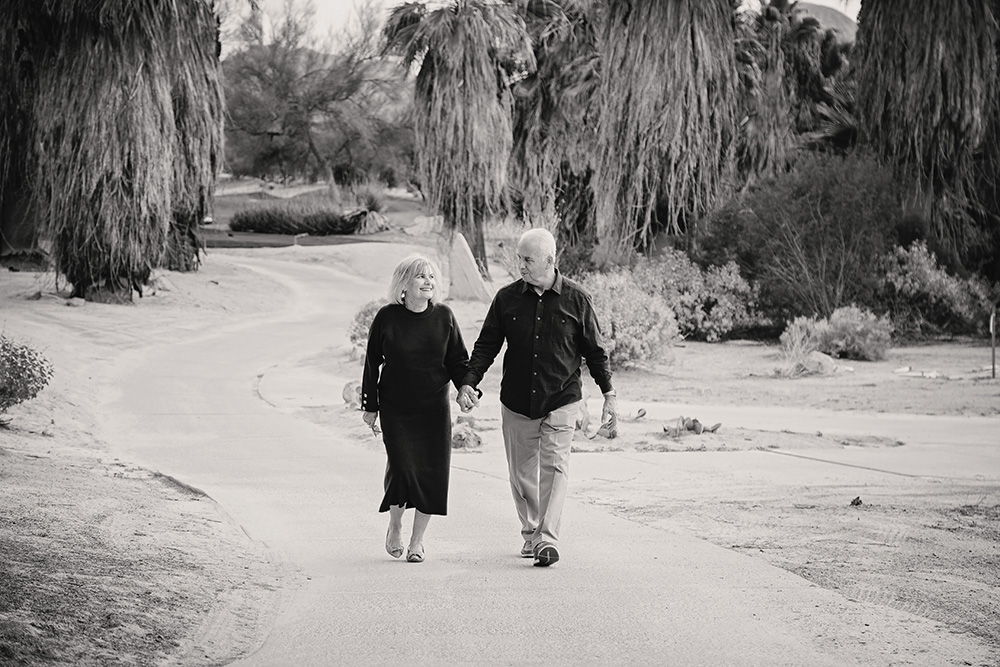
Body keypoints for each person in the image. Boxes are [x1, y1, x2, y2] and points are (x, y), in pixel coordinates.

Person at [457, 228, 617, 567]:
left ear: (549, 260)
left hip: (562, 397)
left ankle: (547, 539)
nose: (522, 266)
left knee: (556, 468)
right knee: (521, 473)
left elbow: (596, 352)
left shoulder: (577, 299)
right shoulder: (506, 299)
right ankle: (531, 532)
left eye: (528, 259)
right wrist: (469, 382)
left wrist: (609, 395)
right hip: (516, 399)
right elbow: (487, 345)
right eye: (520, 258)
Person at [361, 255, 471, 563]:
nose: (428, 282)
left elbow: (458, 362)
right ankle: (395, 525)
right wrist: (370, 406)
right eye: (421, 277)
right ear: (404, 284)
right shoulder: (387, 317)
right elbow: (372, 363)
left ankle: (417, 541)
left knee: (432, 474)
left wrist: (467, 388)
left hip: (434, 410)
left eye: (432, 277)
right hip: (396, 408)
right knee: (402, 469)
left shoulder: (445, 317)